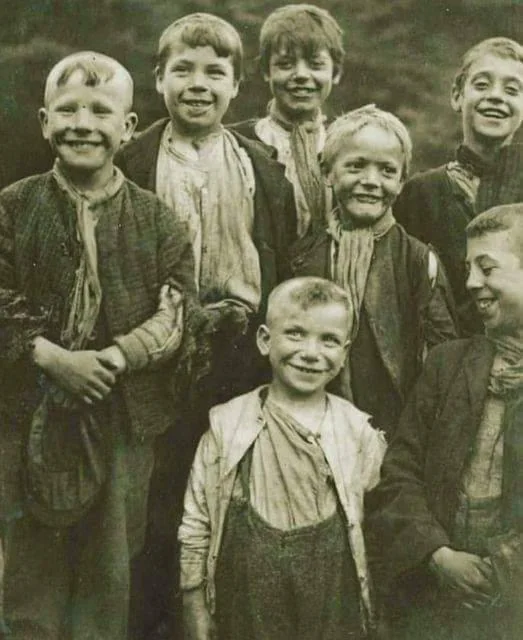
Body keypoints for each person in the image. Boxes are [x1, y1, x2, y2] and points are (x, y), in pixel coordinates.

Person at [0, 51, 195, 639]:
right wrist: (53, 358)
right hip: (27, 413)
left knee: (108, 574)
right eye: (68, 110)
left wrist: (114, 358)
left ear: (127, 127)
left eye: (100, 111)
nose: (82, 123)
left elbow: (178, 309)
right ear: (43, 121)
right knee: (29, 575)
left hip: (118, 416)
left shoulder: (158, 220)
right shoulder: (13, 206)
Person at [115, 12, 297, 636]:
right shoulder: (132, 160)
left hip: (241, 353)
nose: (199, 83)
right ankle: (151, 622)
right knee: (157, 500)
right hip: (158, 355)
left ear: (237, 86)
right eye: (183, 70)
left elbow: (284, 252)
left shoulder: (260, 164)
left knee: (229, 491)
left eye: (215, 72)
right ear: (158, 80)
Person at [179, 276, 386, 640]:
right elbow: (197, 522)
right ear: (264, 340)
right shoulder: (227, 426)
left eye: (329, 340)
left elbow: (378, 528)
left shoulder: (357, 434)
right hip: (248, 602)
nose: (310, 352)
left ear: (345, 352)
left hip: (330, 602)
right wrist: (193, 601)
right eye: (295, 333)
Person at [366, 203, 523, 640]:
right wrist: (436, 555)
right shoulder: (446, 364)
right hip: (435, 603)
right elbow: (399, 471)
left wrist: (500, 570)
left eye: (487, 268)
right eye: (468, 268)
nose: (471, 283)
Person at [291, 105, 457, 436]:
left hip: (392, 431)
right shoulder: (301, 257)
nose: (370, 181)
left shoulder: (419, 262)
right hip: (312, 427)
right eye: (355, 166)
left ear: (402, 181)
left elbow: (441, 364)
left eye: (386, 171)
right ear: (327, 172)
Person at [394, 37, 523, 336]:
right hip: (448, 363)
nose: (496, 97)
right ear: (457, 95)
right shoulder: (420, 194)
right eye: (481, 85)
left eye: (512, 90)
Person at [232, 4, 344, 240]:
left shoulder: (347, 146)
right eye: (285, 64)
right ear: (266, 71)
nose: (302, 75)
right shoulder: (236, 144)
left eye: (316, 65)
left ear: (336, 72)